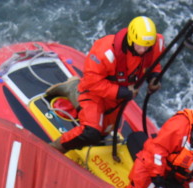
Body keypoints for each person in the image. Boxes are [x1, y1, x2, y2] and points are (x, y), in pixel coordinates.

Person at [49, 16, 165, 154]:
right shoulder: (104, 52)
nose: (143, 50)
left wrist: (154, 77)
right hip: (94, 93)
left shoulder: (155, 44)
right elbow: (92, 82)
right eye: (139, 46)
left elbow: (154, 63)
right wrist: (124, 92)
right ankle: (56, 147)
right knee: (90, 133)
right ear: (130, 39)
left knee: (104, 132)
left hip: (117, 98)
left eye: (147, 47)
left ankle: (75, 92)